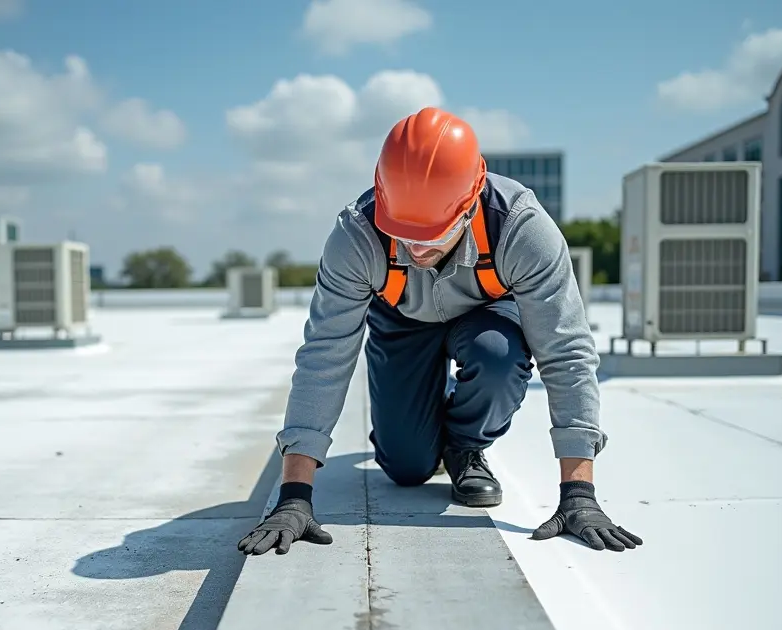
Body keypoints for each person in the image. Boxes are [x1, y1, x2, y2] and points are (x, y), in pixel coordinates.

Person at [237, 107, 642, 557]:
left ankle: (466, 446)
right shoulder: (355, 236)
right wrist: (295, 496)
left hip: (488, 315)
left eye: (429, 236)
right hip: (402, 320)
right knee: (408, 467)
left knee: (497, 357)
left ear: (469, 207)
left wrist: (578, 494)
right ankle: (423, 427)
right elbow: (324, 357)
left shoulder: (521, 229)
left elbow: (566, 351)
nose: (414, 249)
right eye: (403, 233)